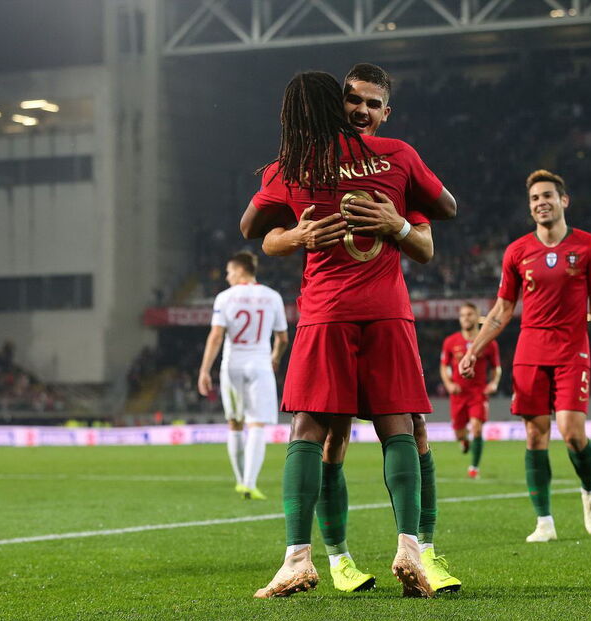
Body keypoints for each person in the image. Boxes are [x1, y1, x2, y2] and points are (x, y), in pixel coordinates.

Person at [244, 63, 461, 595]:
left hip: (326, 314)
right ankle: (404, 549)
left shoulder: (292, 166)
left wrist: (294, 233)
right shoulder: (396, 157)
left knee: (311, 434)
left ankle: (301, 557)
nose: (360, 110)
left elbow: (251, 229)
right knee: (399, 429)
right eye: (351, 100)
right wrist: (395, 223)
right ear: (338, 104)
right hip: (385, 309)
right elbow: (449, 209)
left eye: (371, 103)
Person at [459, 169, 591, 543]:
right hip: (530, 350)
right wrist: (474, 350)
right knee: (534, 435)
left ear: (563, 201)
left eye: (547, 196)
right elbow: (501, 310)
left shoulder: (589, 246)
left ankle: (590, 489)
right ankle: (544, 522)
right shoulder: (517, 252)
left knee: (572, 432)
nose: (540, 203)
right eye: (534, 199)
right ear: (530, 208)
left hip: (572, 348)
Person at [197, 252, 288, 500]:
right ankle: (250, 483)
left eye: (229, 272)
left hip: (232, 365)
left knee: (235, 423)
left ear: (239, 271)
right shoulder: (272, 297)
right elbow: (282, 338)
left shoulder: (225, 298)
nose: (227, 277)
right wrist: (275, 357)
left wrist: (205, 370)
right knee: (257, 424)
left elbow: (216, 336)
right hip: (260, 365)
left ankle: (239, 481)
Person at [440, 302, 501, 478]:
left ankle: (474, 467)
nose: (466, 318)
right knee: (459, 432)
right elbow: (443, 367)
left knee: (477, 428)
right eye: (463, 315)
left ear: (477, 317)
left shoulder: (488, 342)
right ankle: (464, 441)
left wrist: (494, 383)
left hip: (478, 393)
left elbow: (496, 367)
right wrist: (449, 384)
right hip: (458, 393)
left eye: (469, 314)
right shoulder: (450, 341)